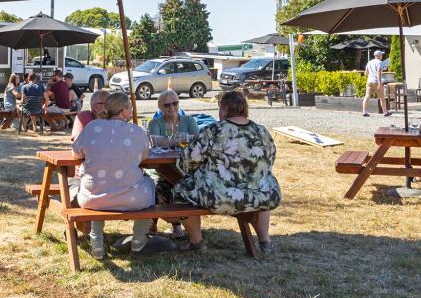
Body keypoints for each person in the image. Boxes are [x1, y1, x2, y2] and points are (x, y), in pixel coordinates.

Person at [172, 91, 280, 253]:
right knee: (259, 184)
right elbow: (269, 161)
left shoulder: (214, 130)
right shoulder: (261, 131)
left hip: (221, 197)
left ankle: (197, 242)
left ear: (224, 109)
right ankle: (265, 240)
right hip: (265, 196)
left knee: (179, 190)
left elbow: (187, 161)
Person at [71, 92, 155, 259]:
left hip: (92, 199)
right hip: (133, 198)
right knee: (150, 184)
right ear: (124, 111)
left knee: (98, 183)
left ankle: (96, 242)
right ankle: (138, 239)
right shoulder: (136, 131)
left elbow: (75, 154)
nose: (131, 111)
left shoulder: (92, 127)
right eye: (130, 108)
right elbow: (145, 157)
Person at [147, 89, 200, 239]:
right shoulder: (155, 122)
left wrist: (169, 141)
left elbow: (196, 140)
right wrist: (182, 139)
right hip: (160, 168)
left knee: (180, 184)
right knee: (158, 186)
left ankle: (177, 224)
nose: (171, 107)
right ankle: (153, 223)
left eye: (175, 103)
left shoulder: (188, 120)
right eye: (167, 105)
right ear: (160, 108)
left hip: (184, 167)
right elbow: (155, 140)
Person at [362, 50, 393, 117]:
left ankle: (364, 112)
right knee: (382, 97)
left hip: (369, 81)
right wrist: (379, 83)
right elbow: (379, 72)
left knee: (367, 96)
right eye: (381, 55)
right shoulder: (380, 63)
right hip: (376, 81)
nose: (382, 56)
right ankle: (385, 112)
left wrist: (371, 75)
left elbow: (365, 73)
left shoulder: (369, 62)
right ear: (379, 56)